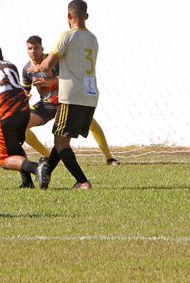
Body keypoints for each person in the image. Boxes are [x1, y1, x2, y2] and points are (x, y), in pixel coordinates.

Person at [20, 35, 119, 185]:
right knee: (21, 125)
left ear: (42, 48)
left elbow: (68, 77)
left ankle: (109, 157)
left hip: (64, 103)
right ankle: (47, 156)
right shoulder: (27, 69)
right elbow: (25, 90)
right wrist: (24, 97)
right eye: (30, 48)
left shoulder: (53, 61)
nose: (33, 51)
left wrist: (50, 81)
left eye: (36, 48)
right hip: (46, 105)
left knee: (90, 124)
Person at [29, 0, 98, 190]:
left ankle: (83, 182)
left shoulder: (67, 36)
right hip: (90, 95)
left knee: (61, 142)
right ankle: (46, 173)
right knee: (62, 139)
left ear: (69, 16)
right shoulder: (93, 38)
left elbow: (47, 65)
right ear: (86, 16)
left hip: (71, 95)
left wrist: (34, 69)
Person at [0, 44, 48, 187]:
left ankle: (36, 168)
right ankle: (27, 182)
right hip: (24, 110)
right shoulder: (11, 66)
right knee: (16, 147)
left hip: (4, 114)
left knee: (3, 159)